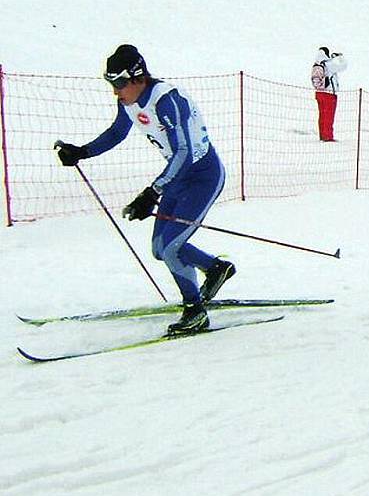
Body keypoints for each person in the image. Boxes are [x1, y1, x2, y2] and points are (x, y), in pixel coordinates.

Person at [54, 44, 235, 335]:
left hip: (203, 176)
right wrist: (82, 152)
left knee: (172, 247)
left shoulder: (167, 101)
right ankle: (216, 269)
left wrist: (152, 193)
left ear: (137, 77)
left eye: (119, 84)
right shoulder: (129, 101)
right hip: (176, 179)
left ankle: (195, 311)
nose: (115, 91)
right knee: (159, 249)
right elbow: (117, 133)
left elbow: (185, 153)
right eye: (111, 84)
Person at [310, 47, 347, 141]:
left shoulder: (316, 64)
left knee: (322, 116)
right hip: (329, 93)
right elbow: (343, 66)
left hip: (319, 93)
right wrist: (340, 57)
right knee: (329, 116)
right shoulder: (329, 64)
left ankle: (322, 135)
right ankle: (328, 137)